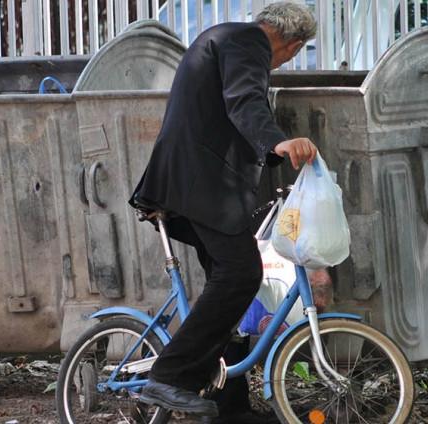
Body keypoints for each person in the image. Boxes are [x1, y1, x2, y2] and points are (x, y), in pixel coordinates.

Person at [129, 2, 318, 422]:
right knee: (242, 273)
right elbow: (244, 101)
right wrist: (277, 142)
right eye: (293, 55)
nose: (286, 62)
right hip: (200, 187)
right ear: (292, 43)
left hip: (199, 187)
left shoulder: (228, 39)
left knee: (229, 288)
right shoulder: (248, 42)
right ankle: (169, 376)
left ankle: (230, 409)